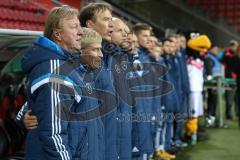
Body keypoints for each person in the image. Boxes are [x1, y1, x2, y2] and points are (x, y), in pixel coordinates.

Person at [20, 6, 105, 160]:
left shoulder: (71, 65)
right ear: (57, 34)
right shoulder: (54, 71)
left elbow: (37, 105)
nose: (80, 32)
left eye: (80, 26)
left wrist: (24, 115)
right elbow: (53, 133)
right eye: (74, 27)